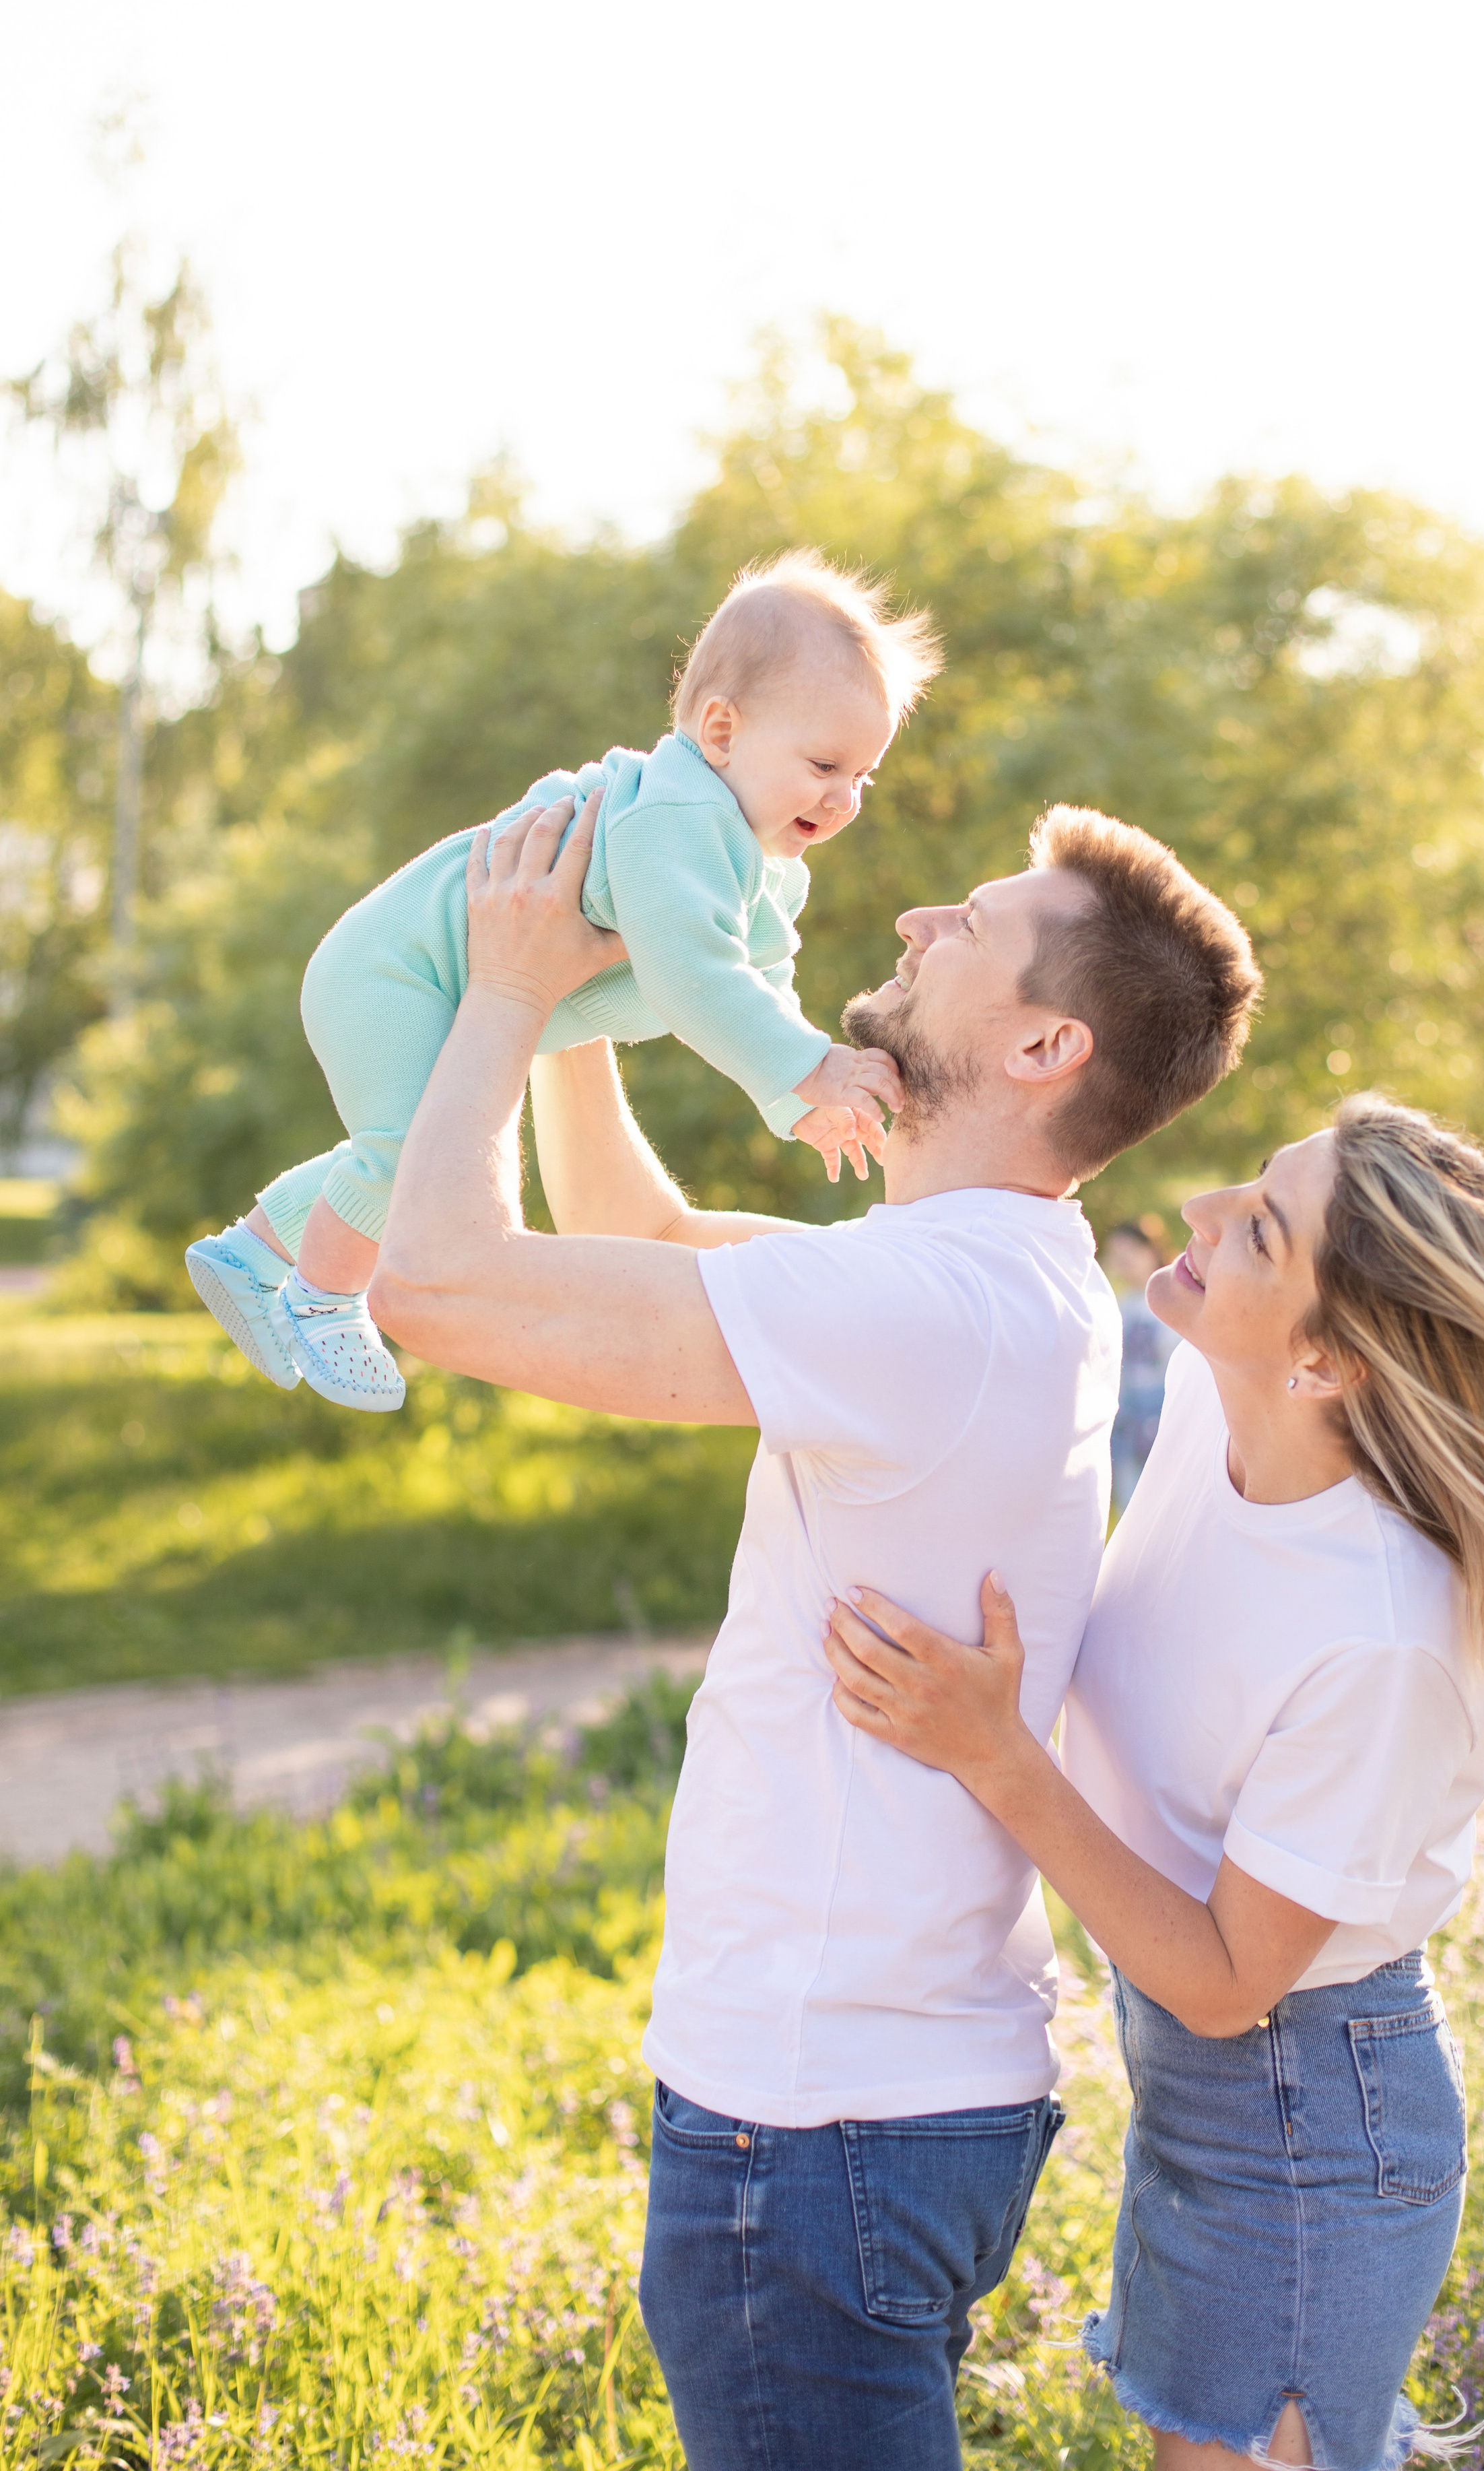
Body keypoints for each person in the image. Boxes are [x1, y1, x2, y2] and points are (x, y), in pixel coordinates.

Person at [366, 783, 1260, 2470]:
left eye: (971, 928)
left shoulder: (923, 1306)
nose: (917, 921)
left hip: (816, 2119)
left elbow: (433, 1278)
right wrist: (581, 1000)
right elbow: (633, 1240)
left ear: (1039, 1047)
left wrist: (496, 986)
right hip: (888, 2097)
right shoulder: (987, 1273)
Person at [824, 1094, 1484, 2471]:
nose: (1196, 1211)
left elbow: (1221, 1977)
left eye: (1257, 1226)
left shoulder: (1380, 1637)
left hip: (1305, 2117)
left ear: (1323, 1361)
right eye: (1251, 1184)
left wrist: (991, 1753)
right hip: (1206, 2093)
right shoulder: (1212, 1399)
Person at [183, 552, 938, 1414]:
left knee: (403, 1146)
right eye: (824, 766)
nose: (845, 798)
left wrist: (797, 1099)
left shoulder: (764, 862)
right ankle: (323, 1297)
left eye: (863, 777)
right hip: (396, 972)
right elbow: (694, 975)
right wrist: (806, 1065)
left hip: (436, 985)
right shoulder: (677, 817)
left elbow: (762, 977)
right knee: (409, 1154)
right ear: (722, 732)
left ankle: (250, 1256)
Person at [1102, 1214, 1180, 1508]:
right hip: (1127, 1422)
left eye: (1130, 1254)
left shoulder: (1172, 1299)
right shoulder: (1121, 1304)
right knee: (1132, 1508)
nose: (1124, 1263)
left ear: (1151, 1250)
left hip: (1162, 1415)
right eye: (1117, 1256)